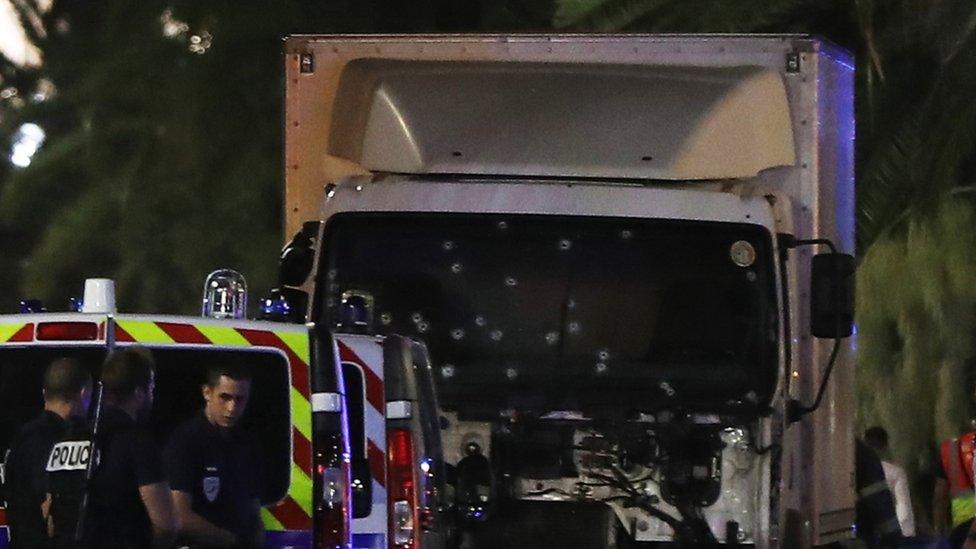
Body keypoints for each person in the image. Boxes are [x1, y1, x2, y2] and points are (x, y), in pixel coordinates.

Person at [50, 346, 178, 548]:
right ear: (139, 392)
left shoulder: (69, 438)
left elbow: (50, 516)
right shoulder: (137, 442)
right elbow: (166, 525)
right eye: (151, 388)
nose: (152, 395)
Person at [164, 364, 264, 548]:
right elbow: (179, 514)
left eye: (240, 399)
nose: (232, 408)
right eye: (225, 397)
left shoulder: (245, 442)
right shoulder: (187, 440)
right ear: (207, 393)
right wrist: (232, 541)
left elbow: (253, 506)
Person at [2, 358, 91, 548]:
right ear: (84, 393)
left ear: (45, 393)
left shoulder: (21, 438)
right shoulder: (69, 440)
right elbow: (51, 508)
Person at [864, 426, 916, 537]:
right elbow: (903, 507)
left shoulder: (857, 472)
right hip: (889, 532)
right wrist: (907, 534)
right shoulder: (896, 472)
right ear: (885, 446)